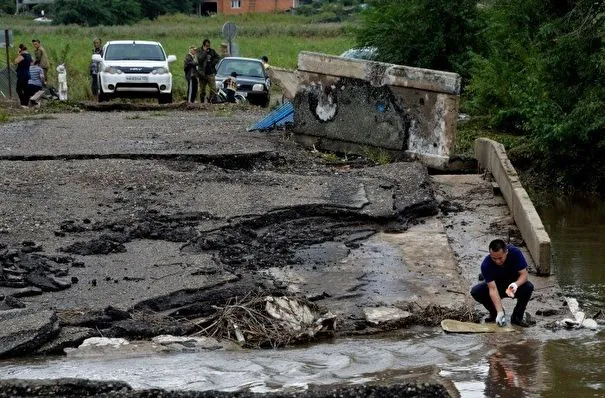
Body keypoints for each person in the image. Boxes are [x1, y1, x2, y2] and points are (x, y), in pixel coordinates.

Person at [470, 239, 534, 327]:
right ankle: (496, 314)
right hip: (497, 286)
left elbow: (524, 275)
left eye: (500, 258)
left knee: (528, 287)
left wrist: (516, 284)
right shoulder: (486, 265)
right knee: (476, 291)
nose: (497, 261)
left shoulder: (515, 253)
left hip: (512, 286)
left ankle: (517, 317)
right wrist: (499, 311)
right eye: (494, 258)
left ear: (506, 252)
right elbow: (492, 289)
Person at [196, 39, 220, 103]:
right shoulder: (199, 50)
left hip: (210, 73)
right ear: (203, 45)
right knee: (202, 91)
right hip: (202, 74)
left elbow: (218, 57)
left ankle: (210, 99)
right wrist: (205, 52)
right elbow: (199, 59)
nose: (208, 47)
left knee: (213, 89)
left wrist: (213, 63)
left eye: (208, 46)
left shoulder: (212, 51)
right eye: (206, 46)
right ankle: (202, 102)